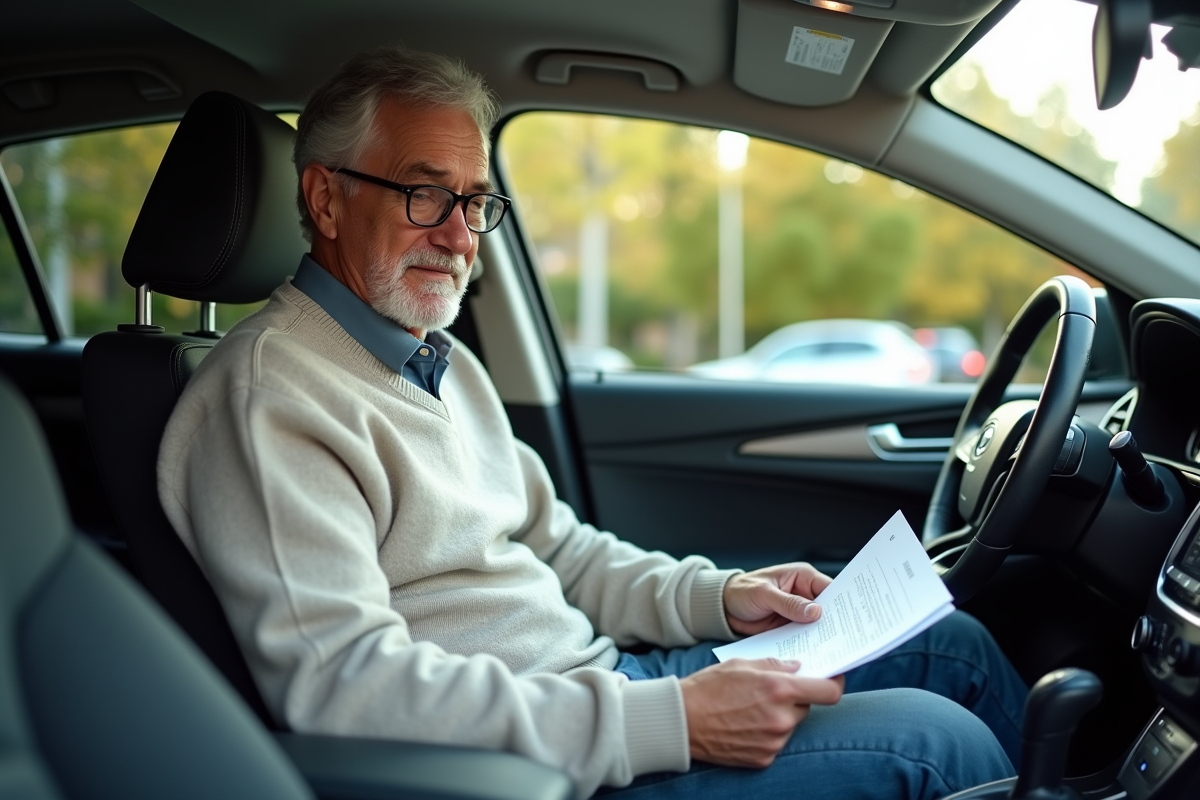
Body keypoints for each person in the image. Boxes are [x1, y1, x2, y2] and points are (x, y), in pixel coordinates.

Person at [158, 47, 1027, 799]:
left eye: (476, 202)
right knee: (937, 749)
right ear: (326, 199)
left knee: (951, 646)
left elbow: (561, 550)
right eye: (427, 196)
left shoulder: (437, 361)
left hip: (601, 689)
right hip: (534, 768)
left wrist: (719, 600)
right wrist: (671, 722)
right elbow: (344, 690)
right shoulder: (270, 396)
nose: (462, 237)